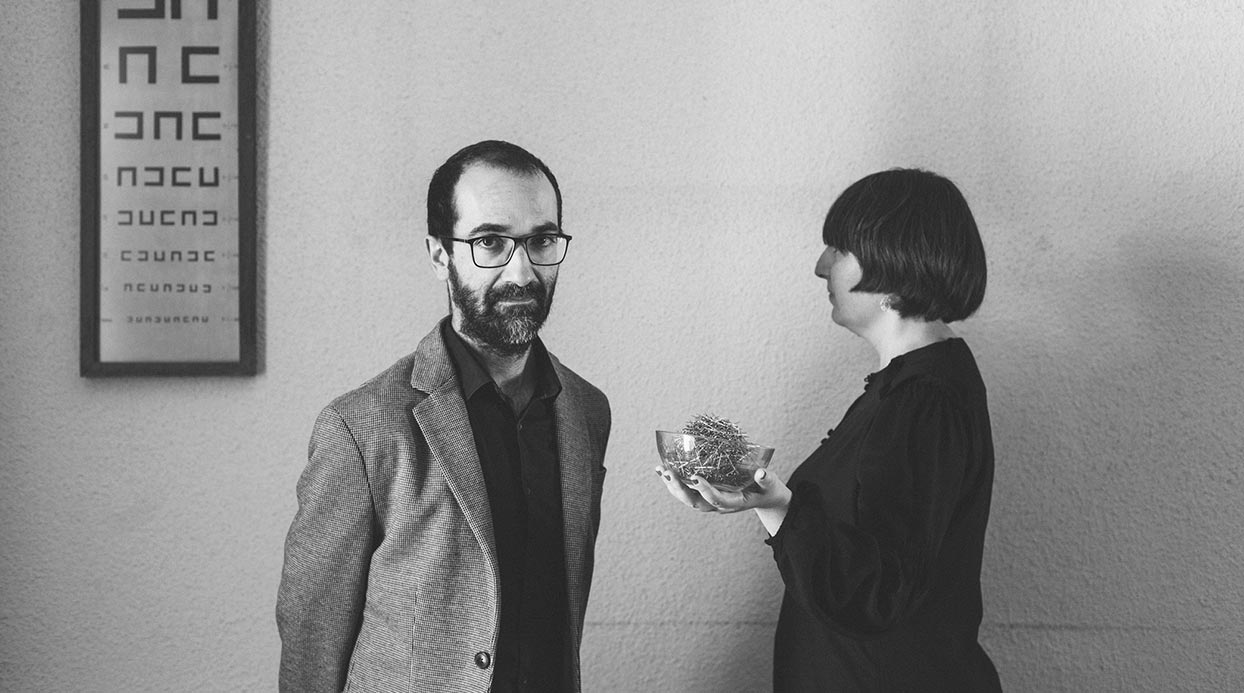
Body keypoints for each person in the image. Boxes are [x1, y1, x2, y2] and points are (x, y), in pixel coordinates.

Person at [278, 140, 611, 693]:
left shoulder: (586, 410)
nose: (522, 270)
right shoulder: (359, 428)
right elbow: (312, 638)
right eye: (490, 242)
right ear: (439, 256)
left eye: (541, 240)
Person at [658, 168, 1002, 692]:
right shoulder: (907, 389)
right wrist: (760, 499)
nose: (821, 266)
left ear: (893, 262)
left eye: (840, 248)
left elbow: (877, 592)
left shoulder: (924, 400)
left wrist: (779, 505)